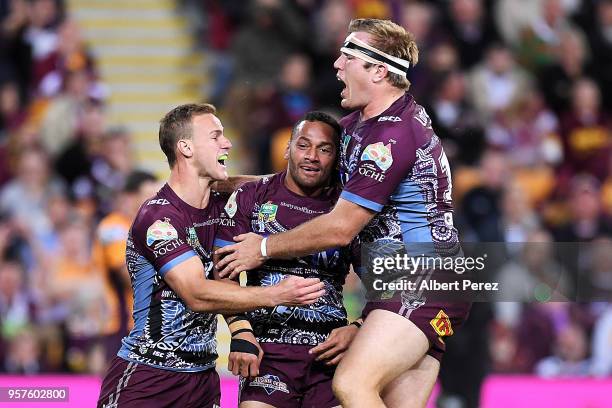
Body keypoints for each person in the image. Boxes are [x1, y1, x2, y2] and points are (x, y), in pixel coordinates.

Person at [216, 19, 471, 407]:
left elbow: (340, 228)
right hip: (408, 285)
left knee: (352, 386)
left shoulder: (393, 134)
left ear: (379, 70)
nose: (336, 64)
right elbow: (303, 178)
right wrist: (232, 183)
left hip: (423, 280)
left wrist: (262, 249)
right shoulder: (357, 127)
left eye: (348, 55)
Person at [97, 103, 325, 408]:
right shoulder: (159, 219)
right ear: (186, 148)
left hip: (203, 380)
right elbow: (196, 293)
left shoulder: (224, 204)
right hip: (149, 378)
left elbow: (278, 187)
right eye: (215, 136)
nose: (227, 143)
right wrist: (276, 295)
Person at [214, 111, 360, 408]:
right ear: (287, 149)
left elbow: (387, 281)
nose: (312, 157)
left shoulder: (348, 210)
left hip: (331, 354)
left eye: (325, 149)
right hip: (269, 353)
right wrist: (240, 331)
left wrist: (359, 328)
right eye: (303, 145)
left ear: (336, 158)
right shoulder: (252, 197)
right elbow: (223, 274)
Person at [92, 170, 159, 362]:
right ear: (130, 198)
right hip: (120, 322)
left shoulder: (148, 227)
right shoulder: (113, 228)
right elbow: (129, 275)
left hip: (145, 323)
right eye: (149, 196)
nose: (156, 203)